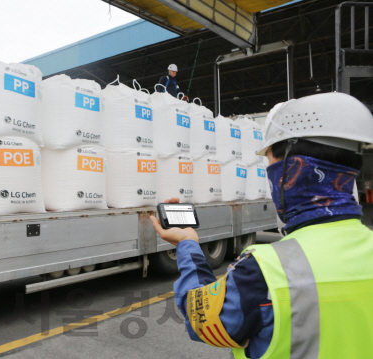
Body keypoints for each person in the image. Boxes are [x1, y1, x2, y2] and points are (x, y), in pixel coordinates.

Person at [150, 92, 373, 359]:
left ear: (289, 170)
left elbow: (202, 319)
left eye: (270, 164)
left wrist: (187, 245)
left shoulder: (265, 270)